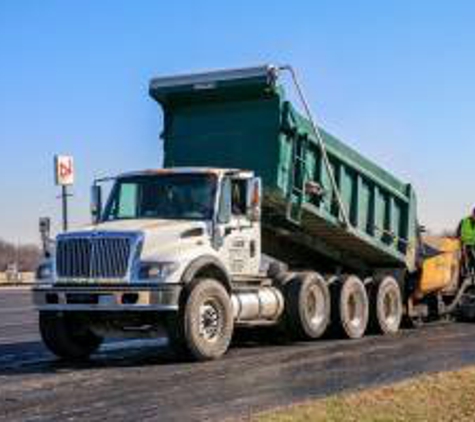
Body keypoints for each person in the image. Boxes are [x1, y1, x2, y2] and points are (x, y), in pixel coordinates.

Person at [457, 208, 475, 275]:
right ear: (472, 214)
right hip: (465, 243)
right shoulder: (464, 221)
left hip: (473, 244)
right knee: (465, 257)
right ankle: (465, 271)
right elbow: (458, 232)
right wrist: (460, 239)